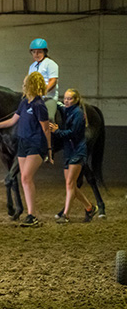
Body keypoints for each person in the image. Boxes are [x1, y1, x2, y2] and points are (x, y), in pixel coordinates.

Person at [0, 72, 53, 227]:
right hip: (23, 144)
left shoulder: (39, 105)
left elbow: (46, 129)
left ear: (32, 85)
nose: (23, 85)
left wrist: (48, 150)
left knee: (26, 177)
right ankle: (31, 214)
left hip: (35, 144)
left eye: (26, 83)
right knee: (25, 180)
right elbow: (12, 121)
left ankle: (32, 215)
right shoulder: (24, 103)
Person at [50, 89, 98, 223]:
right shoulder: (67, 110)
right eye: (65, 98)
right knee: (70, 185)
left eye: (69, 99)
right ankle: (89, 207)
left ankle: (65, 215)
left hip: (77, 151)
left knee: (70, 183)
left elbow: (73, 133)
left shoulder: (78, 113)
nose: (66, 101)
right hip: (69, 151)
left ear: (76, 100)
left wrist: (57, 131)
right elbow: (59, 105)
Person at [28, 38, 59, 121]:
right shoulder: (32, 66)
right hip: (34, 98)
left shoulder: (51, 64)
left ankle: (52, 133)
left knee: (49, 118)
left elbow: (53, 81)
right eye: (34, 52)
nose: (36, 54)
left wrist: (42, 92)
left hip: (48, 97)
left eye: (39, 52)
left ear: (45, 52)